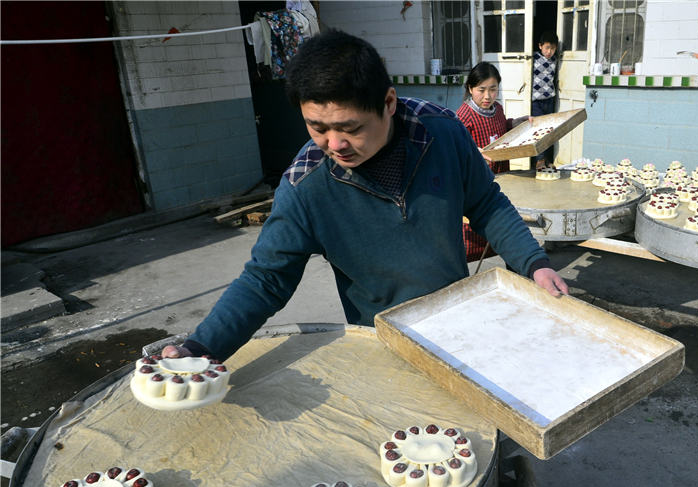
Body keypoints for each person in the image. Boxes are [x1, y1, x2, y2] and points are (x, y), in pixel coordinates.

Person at [163, 31, 568, 361]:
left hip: (460, 321)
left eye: (350, 128)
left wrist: (533, 263)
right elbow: (265, 280)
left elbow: (485, 202)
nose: (334, 143)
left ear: (388, 103)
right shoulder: (305, 187)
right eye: (317, 127)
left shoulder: (441, 133)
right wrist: (201, 347)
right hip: (380, 341)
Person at [455, 61, 530, 262]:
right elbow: (455, 148)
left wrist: (517, 123)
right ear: (470, 89)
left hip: (502, 177)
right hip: (477, 185)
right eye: (481, 90)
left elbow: (502, 128)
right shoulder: (463, 116)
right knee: (476, 235)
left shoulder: (497, 109)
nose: (487, 96)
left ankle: (516, 268)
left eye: (493, 89)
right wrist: (474, 152)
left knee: (508, 232)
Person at [531, 31, 560, 170]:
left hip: (549, 100)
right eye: (547, 47)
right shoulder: (533, 58)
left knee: (549, 131)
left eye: (553, 48)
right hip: (536, 101)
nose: (550, 51)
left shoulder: (555, 60)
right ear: (540, 46)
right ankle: (539, 160)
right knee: (538, 131)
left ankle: (547, 158)